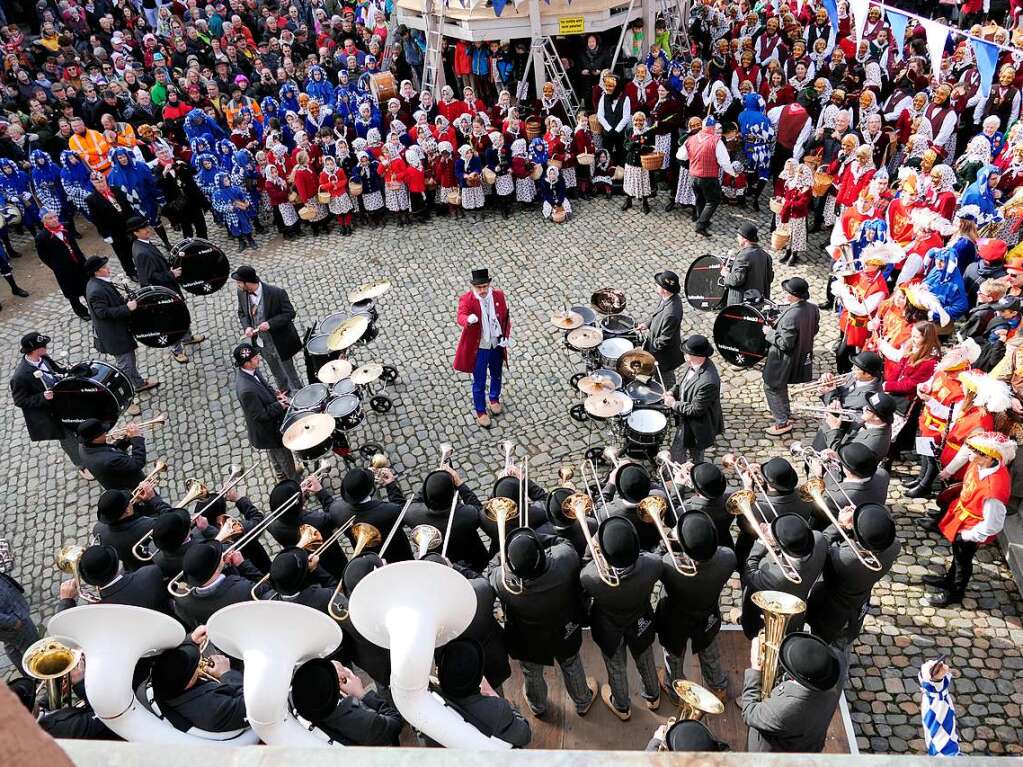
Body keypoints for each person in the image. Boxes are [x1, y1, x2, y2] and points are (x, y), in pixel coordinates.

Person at [491, 527, 598, 719]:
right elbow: (562, 542)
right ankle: (582, 700)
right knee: (571, 662)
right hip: (565, 628)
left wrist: (506, 552)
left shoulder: (503, 581)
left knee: (531, 671)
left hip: (528, 637)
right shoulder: (564, 561)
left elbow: (493, 568)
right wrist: (533, 537)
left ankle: (537, 705)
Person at [581, 517, 663, 720]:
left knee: (616, 666)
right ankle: (653, 696)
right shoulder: (653, 564)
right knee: (645, 658)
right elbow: (650, 556)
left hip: (609, 626)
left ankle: (622, 706)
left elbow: (584, 569)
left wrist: (591, 549)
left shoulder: (590, 576)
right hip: (640, 619)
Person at [919, 432, 1014, 607]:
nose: (968, 453)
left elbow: (993, 524)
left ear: (987, 457)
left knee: (963, 560)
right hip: (962, 517)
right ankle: (949, 579)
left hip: (971, 528)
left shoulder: (994, 490)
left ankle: (955, 593)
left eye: (974, 451)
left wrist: (969, 535)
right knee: (957, 555)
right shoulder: (979, 465)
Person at [656, 511, 735, 704]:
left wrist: (668, 539)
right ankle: (718, 687)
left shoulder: (669, 565)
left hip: (675, 618)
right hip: (707, 615)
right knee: (709, 651)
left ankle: (674, 690)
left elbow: (656, 560)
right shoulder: (728, 558)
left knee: (673, 656)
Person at [806, 503, 900, 646]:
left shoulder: (842, 557)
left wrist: (840, 524)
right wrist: (861, 521)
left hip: (830, 610)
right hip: (858, 602)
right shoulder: (894, 546)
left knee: (825, 643)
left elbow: (821, 543)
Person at [739, 631, 846, 752]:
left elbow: (750, 712)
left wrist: (755, 668)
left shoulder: (785, 708)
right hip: (811, 743)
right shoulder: (839, 662)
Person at [9, 332, 91, 479]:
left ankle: (91, 450)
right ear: (35, 350)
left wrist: (69, 370)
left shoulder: (43, 358)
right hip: (51, 413)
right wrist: (42, 397)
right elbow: (20, 401)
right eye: (43, 346)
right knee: (67, 439)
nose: (46, 347)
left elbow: (57, 371)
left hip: (65, 403)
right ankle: (82, 466)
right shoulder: (20, 376)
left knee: (80, 425)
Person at [128, 216, 206, 364]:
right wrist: (171, 274)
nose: (148, 229)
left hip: (169, 288)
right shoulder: (141, 252)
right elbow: (147, 279)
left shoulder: (145, 243)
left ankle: (187, 338)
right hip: (163, 293)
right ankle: (177, 350)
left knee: (181, 314)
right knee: (172, 321)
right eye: (143, 228)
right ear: (135, 232)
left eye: (147, 226)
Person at [83, 256, 158, 401]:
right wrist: (126, 308)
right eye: (104, 267)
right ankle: (125, 398)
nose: (108, 269)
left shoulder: (99, 283)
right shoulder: (96, 290)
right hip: (114, 336)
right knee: (125, 366)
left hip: (119, 331)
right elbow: (102, 313)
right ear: (96, 272)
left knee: (130, 361)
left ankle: (138, 383)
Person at [740, 513, 825, 638]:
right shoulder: (819, 539)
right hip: (796, 617)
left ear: (782, 546)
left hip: (770, 623)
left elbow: (750, 573)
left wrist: (762, 542)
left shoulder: (775, 577)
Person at [434, 639, 532, 747]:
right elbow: (524, 735)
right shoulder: (498, 710)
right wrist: (494, 694)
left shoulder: (431, 696)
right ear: (479, 677)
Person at [289, 657, 403, 745]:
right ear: (338, 689)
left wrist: (329, 669)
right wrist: (361, 693)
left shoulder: (293, 699)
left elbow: (306, 677)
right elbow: (395, 722)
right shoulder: (364, 722)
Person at [150, 641, 249, 738]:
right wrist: (226, 674)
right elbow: (252, 706)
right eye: (196, 665)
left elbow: (175, 663)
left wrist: (191, 640)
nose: (200, 663)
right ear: (188, 682)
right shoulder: (214, 710)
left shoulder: (164, 684)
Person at [452, 268, 511, 429]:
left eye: (485, 286)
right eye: (479, 288)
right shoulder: (467, 299)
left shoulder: (498, 296)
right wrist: (468, 320)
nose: (483, 290)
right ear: (473, 287)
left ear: (489, 284)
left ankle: (494, 399)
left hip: (495, 344)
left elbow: (505, 318)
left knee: (497, 374)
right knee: (479, 381)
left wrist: (505, 336)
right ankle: (480, 411)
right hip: (479, 348)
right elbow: (460, 315)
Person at [232, 343, 299, 482]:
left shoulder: (252, 370)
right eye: (255, 358)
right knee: (284, 457)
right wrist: (280, 405)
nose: (259, 359)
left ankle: (280, 476)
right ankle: (295, 485)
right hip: (269, 430)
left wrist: (276, 394)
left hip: (269, 429)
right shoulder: (246, 390)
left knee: (275, 455)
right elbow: (260, 415)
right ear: (246, 363)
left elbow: (265, 385)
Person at [762, 277, 820, 437]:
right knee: (780, 385)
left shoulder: (790, 317)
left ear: (794, 295)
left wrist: (770, 333)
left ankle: (782, 422)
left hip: (783, 359)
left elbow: (785, 343)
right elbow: (814, 329)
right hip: (801, 355)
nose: (784, 294)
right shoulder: (812, 308)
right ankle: (786, 413)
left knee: (771, 386)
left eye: (786, 292)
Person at [233, 265, 304, 394]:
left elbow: (289, 313)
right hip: (262, 343)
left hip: (279, 340)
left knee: (288, 370)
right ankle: (284, 391)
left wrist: (270, 323)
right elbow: (242, 313)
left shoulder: (277, 293)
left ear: (248, 282)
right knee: (274, 369)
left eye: (239, 282)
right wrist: (247, 326)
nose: (238, 285)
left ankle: (299, 393)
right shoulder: (241, 293)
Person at [663, 335, 724, 464]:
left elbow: (696, 410)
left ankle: (687, 474)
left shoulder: (708, 381)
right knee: (690, 450)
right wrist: (672, 391)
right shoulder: (694, 364)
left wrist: (673, 403)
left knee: (684, 452)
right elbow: (682, 383)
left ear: (696, 356)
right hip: (687, 420)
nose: (684, 354)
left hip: (698, 425)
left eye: (686, 353)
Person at [678, 117, 737, 236]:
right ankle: (701, 224)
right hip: (708, 177)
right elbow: (724, 162)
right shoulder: (716, 140)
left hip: (693, 176)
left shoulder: (691, 139)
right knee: (713, 200)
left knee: (700, 199)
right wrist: (733, 173)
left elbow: (681, 156)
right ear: (714, 128)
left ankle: (703, 219)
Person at [34, 209, 90, 319]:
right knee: (72, 293)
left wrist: (82, 259)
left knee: (86, 286)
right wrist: (57, 266)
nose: (54, 219)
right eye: (50, 218)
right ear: (43, 221)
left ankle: (93, 307)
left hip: (78, 264)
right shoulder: (42, 237)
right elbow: (44, 257)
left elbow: (74, 245)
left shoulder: (66, 226)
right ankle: (81, 312)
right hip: (63, 270)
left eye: (55, 216)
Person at [86, 171, 139, 281]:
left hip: (127, 225)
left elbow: (127, 207)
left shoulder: (116, 189)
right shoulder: (92, 199)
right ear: (93, 184)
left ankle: (141, 265)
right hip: (113, 231)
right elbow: (96, 219)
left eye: (102, 181)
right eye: (98, 183)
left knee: (135, 246)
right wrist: (105, 234)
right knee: (123, 253)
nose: (101, 184)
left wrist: (134, 222)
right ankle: (130, 271)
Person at [637, 270, 684, 388]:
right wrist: (647, 324)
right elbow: (657, 313)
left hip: (664, 357)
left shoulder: (671, 313)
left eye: (657, 285)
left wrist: (650, 352)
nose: (655, 286)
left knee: (665, 382)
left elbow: (664, 339)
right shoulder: (667, 298)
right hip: (657, 350)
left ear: (664, 290)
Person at [77, 418, 149, 492]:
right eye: (103, 432)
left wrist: (127, 439)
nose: (105, 433)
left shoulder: (82, 447)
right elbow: (137, 463)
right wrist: (137, 438)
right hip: (132, 486)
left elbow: (111, 450)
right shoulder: (109, 460)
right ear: (95, 438)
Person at [0, 552, 39, 675]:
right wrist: (14, 622)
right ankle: (39, 677)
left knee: (11, 645)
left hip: (8, 618)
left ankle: (28, 677)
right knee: (34, 648)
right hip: (13, 619)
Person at [722, 223, 774, 306]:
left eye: (738, 237)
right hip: (759, 302)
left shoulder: (743, 256)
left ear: (745, 239)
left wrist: (726, 274)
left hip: (741, 304)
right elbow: (770, 278)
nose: (737, 238)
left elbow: (736, 280)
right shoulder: (766, 256)